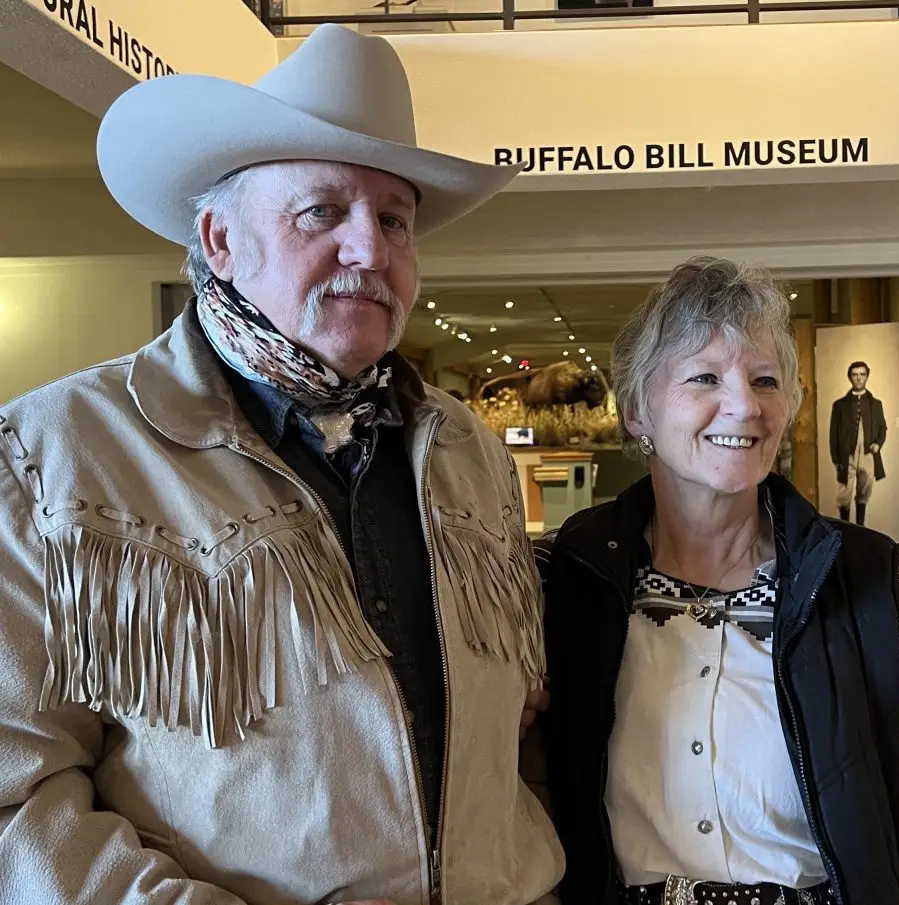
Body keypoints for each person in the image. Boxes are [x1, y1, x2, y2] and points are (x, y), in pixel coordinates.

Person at [0, 25, 562, 905]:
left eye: (394, 219)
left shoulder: (468, 452)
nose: (369, 250)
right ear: (220, 239)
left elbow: (514, 739)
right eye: (322, 212)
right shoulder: (50, 458)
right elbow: (15, 799)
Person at [536, 257, 899, 905]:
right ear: (635, 411)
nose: (743, 404)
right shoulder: (567, 580)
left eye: (765, 379)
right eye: (704, 376)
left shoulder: (867, 584)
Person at [828, 361, 886, 526]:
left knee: (864, 492)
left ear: (867, 376)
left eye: (862, 374)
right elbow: (833, 434)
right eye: (855, 375)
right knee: (844, 493)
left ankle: (861, 529)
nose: (859, 378)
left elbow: (883, 428)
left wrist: (878, 444)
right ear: (850, 377)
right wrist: (836, 459)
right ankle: (845, 530)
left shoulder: (876, 404)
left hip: (867, 454)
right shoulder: (839, 405)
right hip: (848, 455)